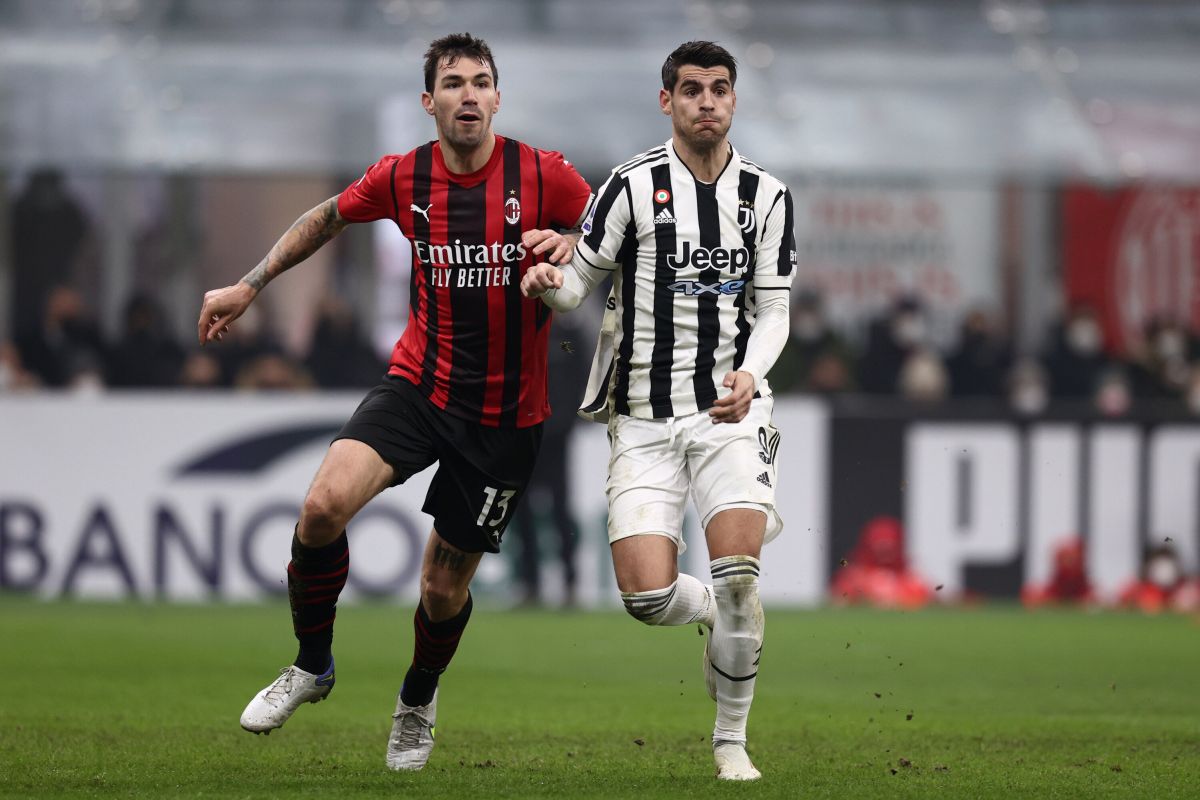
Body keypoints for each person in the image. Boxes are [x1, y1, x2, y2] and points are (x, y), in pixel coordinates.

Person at [196, 33, 591, 771]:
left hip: (507, 415)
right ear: (429, 102)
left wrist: (573, 242)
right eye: (453, 83)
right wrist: (249, 285)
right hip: (419, 385)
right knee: (320, 508)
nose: (467, 95)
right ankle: (312, 665)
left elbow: (609, 229)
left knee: (442, 591)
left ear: (498, 97)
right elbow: (325, 217)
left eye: (480, 82)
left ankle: (417, 698)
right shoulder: (403, 176)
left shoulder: (545, 174)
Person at [522, 41, 793, 781]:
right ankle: (714, 613)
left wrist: (749, 373)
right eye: (692, 90)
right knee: (647, 597)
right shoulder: (629, 187)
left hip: (729, 414)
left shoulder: (766, 196)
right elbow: (578, 286)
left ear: (733, 100)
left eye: (720, 89)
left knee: (741, 571)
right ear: (667, 101)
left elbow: (774, 310)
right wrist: (548, 281)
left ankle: (730, 741)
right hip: (641, 417)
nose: (707, 101)